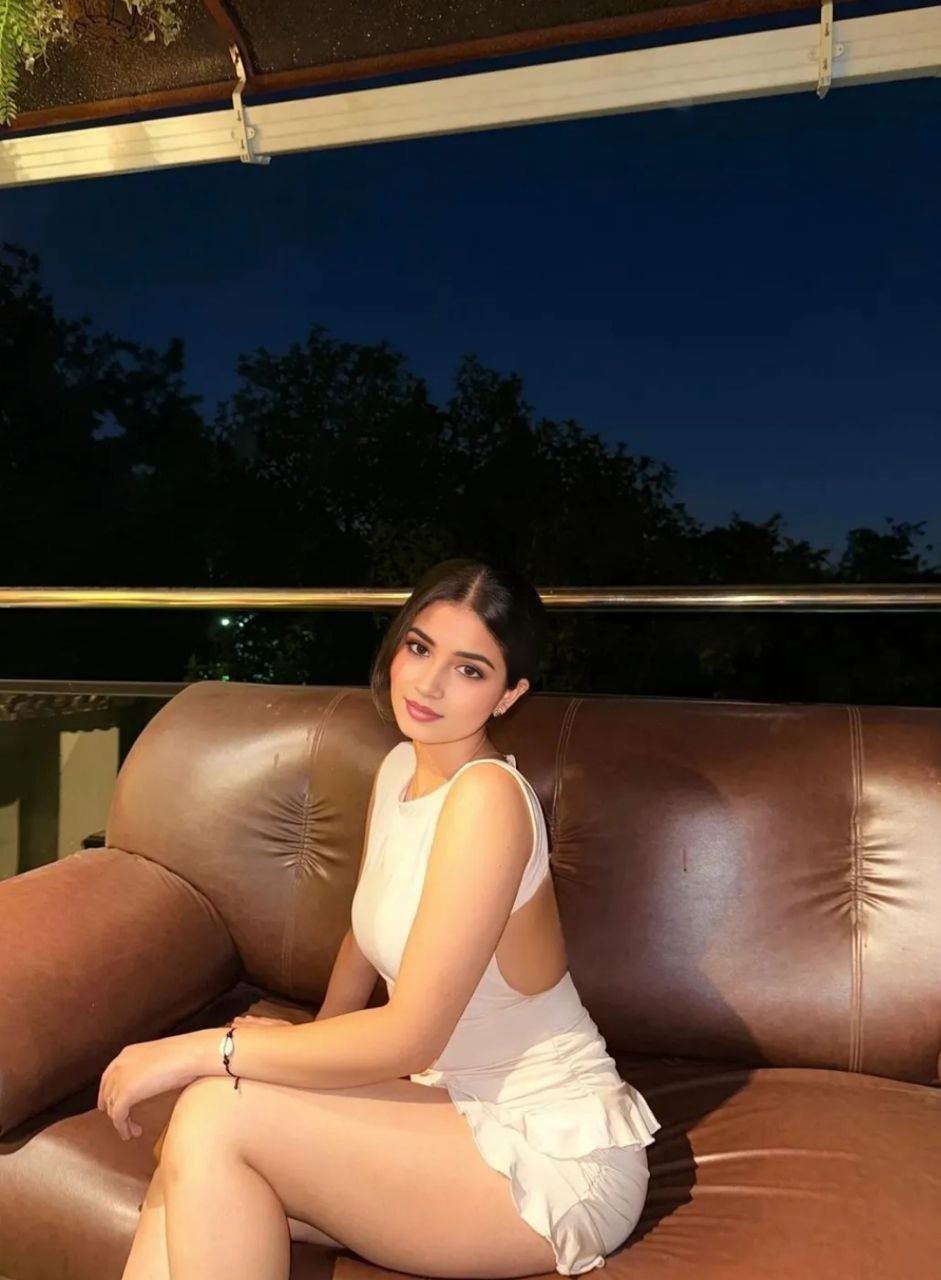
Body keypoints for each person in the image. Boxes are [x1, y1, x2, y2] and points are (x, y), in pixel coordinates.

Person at [109, 557, 660, 1280]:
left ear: (508, 695)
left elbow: (409, 1036)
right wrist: (311, 1041)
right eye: (420, 648)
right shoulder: (401, 766)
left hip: (547, 1152)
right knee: (192, 1159)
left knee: (215, 1110)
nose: (428, 684)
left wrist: (202, 1049)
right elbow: (364, 937)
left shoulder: (488, 800)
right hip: (442, 1107)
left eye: (469, 670)